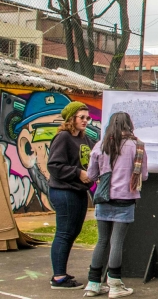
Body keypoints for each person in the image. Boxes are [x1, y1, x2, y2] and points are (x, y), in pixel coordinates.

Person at [83, 112, 148, 298]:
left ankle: (93, 283)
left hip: (103, 197)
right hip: (125, 198)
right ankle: (115, 284)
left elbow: (91, 175)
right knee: (117, 241)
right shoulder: (137, 146)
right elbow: (143, 176)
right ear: (129, 124)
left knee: (102, 240)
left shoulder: (100, 145)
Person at [47, 101, 96, 289]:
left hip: (78, 191)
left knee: (73, 232)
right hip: (64, 191)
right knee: (64, 232)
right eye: (81, 117)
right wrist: (78, 173)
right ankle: (58, 277)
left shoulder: (83, 138)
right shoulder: (63, 137)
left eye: (87, 117)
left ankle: (61, 272)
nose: (85, 121)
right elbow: (54, 165)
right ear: (71, 118)